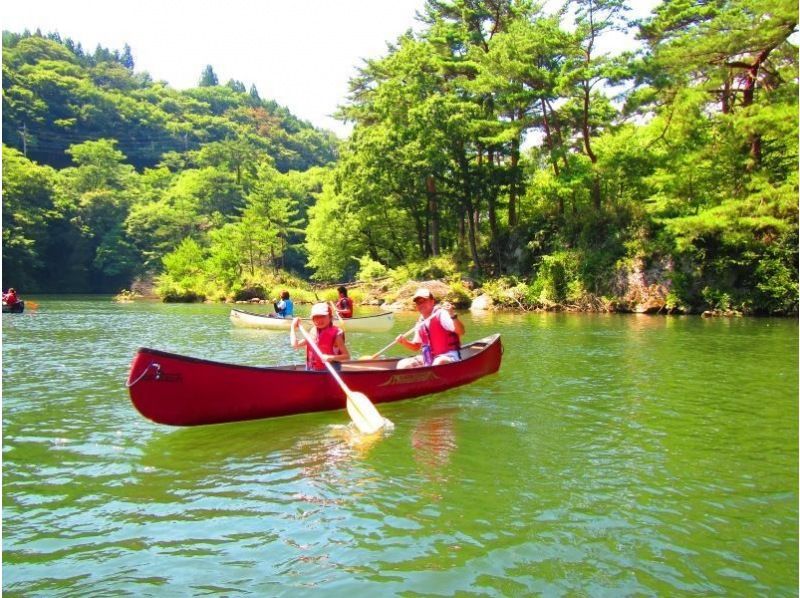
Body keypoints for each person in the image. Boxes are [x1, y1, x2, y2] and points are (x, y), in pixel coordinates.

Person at [396, 287, 465, 369]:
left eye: (424, 301)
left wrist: (453, 316)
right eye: (418, 303)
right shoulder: (420, 322)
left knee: (439, 362)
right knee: (403, 364)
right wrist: (404, 342)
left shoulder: (442, 314)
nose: (421, 304)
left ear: (432, 302)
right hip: (430, 359)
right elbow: (416, 346)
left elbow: (461, 331)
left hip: (449, 356)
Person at [290, 302, 350, 371]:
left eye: (322, 316)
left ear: (330, 317)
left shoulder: (336, 335)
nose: (319, 320)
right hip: (312, 369)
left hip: (329, 370)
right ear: (312, 319)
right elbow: (295, 344)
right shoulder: (313, 332)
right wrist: (292, 327)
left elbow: (346, 356)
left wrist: (330, 358)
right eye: (315, 317)